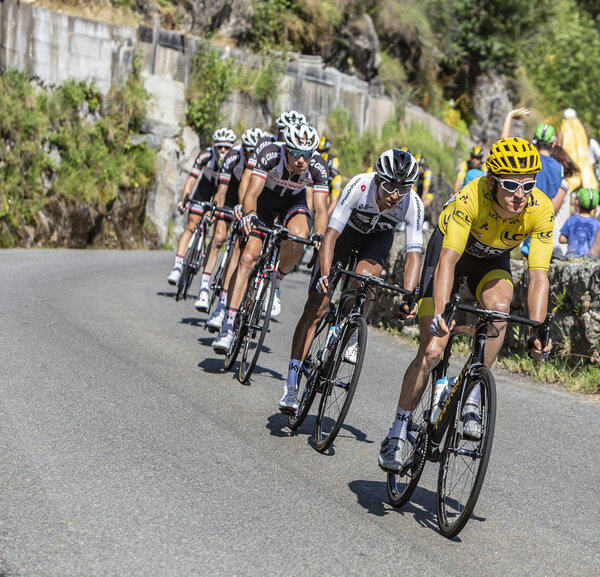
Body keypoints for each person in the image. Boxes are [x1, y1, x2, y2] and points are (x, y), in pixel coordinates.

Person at [379, 137, 554, 472]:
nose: (520, 194)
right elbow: (448, 260)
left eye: (528, 185)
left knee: (500, 308)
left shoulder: (540, 209)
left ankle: (472, 395)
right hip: (449, 253)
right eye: (510, 185)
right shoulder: (472, 196)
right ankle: (398, 431)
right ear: (492, 181)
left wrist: (539, 329)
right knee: (432, 351)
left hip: (491, 260)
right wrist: (442, 310)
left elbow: (539, 277)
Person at [279, 148, 424, 413]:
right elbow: (331, 236)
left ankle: (351, 330)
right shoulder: (360, 185)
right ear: (378, 179)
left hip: (377, 241)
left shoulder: (412, 202)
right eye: (390, 185)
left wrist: (410, 295)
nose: (395, 195)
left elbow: (414, 253)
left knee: (368, 280)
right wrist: (324, 275)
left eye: (403, 188)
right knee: (317, 306)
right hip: (345, 236)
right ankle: (290, 383)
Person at [211, 122, 330, 354]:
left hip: (292, 203)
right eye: (296, 153)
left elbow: (321, 209)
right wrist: (251, 216)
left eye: (306, 155)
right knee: (247, 258)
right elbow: (252, 192)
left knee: (300, 236)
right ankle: (227, 326)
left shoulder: (318, 165)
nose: (301, 161)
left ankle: (276, 281)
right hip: (264, 200)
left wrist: (319, 235)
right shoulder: (270, 153)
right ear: (286, 148)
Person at [195, 127, 268, 318]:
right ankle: (204, 289)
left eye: (255, 151)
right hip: (231, 195)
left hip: (253, 197)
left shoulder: (265, 159)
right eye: (248, 150)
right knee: (219, 238)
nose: (251, 154)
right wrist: (215, 209)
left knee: (245, 247)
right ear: (243, 148)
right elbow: (221, 190)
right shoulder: (232, 156)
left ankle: (237, 297)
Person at [166, 127, 236, 285]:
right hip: (204, 189)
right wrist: (185, 200)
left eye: (227, 147)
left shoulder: (235, 160)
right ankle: (177, 266)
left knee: (218, 232)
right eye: (219, 146)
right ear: (214, 146)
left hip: (223, 193)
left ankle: (203, 260)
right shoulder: (206, 155)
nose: (223, 150)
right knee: (191, 224)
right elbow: (191, 179)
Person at [559, 188, 600, 257]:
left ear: (577, 202)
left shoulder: (571, 220)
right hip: (590, 260)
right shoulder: (597, 224)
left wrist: (573, 237)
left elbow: (561, 239)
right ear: (596, 206)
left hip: (571, 258)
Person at [317, 136, 343, 217]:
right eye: (319, 151)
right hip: (322, 180)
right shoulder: (315, 158)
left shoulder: (334, 159)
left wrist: (326, 216)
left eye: (324, 151)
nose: (321, 153)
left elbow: (334, 172)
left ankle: (326, 216)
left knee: (332, 201)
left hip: (332, 181)